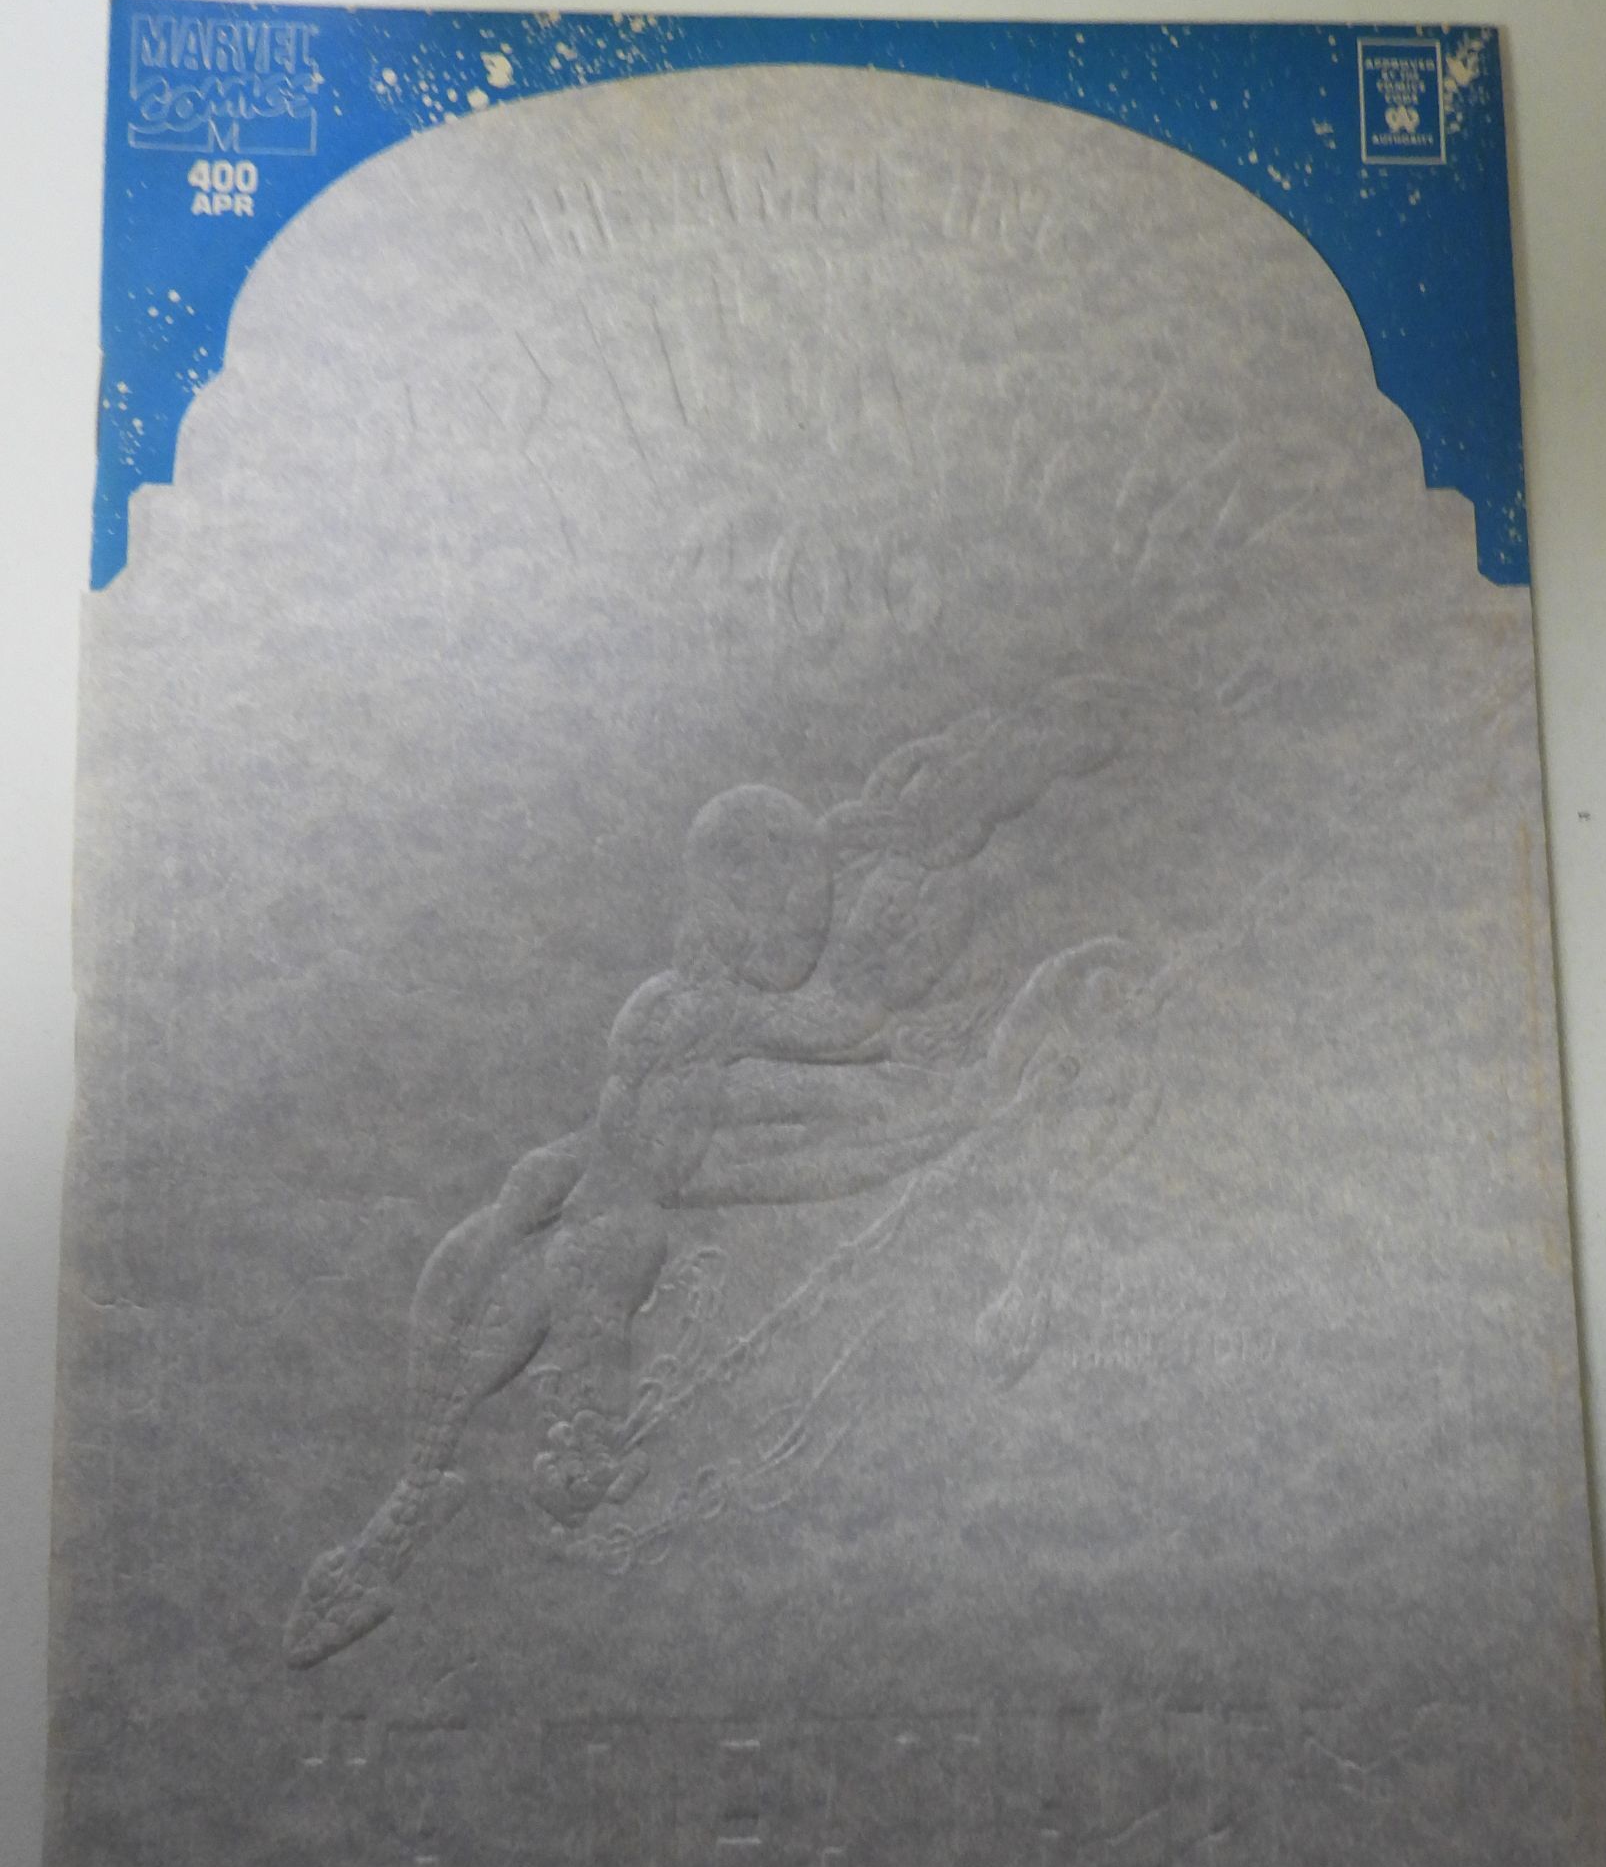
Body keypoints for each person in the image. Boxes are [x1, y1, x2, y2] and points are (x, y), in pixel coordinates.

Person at [284, 676, 1162, 1667]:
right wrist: (925, 1079)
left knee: (513, 1283)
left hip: (629, 1173)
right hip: (630, 1196)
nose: (806, 931)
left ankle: (410, 1515)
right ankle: (440, 1504)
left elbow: (799, 1072)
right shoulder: (708, 1005)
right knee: (553, 1299)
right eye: (790, 915)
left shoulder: (709, 983)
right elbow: (828, 1040)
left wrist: (916, 1086)